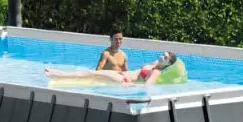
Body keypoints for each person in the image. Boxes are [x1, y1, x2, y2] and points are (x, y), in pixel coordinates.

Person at [45, 50, 187, 87]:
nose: (162, 57)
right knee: (93, 73)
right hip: (121, 73)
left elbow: (146, 86)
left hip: (122, 79)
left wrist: (129, 85)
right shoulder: (155, 63)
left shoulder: (156, 72)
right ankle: (61, 74)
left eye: (165, 58)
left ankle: (59, 76)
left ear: (168, 64)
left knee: (92, 74)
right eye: (163, 54)